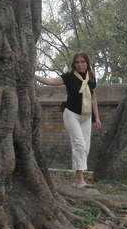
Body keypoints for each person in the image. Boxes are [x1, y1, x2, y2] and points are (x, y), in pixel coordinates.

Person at [36, 52, 101, 187]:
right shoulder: (69, 76)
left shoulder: (92, 77)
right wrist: (33, 75)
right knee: (79, 144)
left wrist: (97, 118)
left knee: (85, 148)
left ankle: (78, 179)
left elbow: (93, 97)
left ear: (87, 63)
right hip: (71, 114)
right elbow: (51, 82)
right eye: (77, 62)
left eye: (83, 62)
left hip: (87, 116)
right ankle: (81, 179)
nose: (80, 64)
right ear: (74, 64)